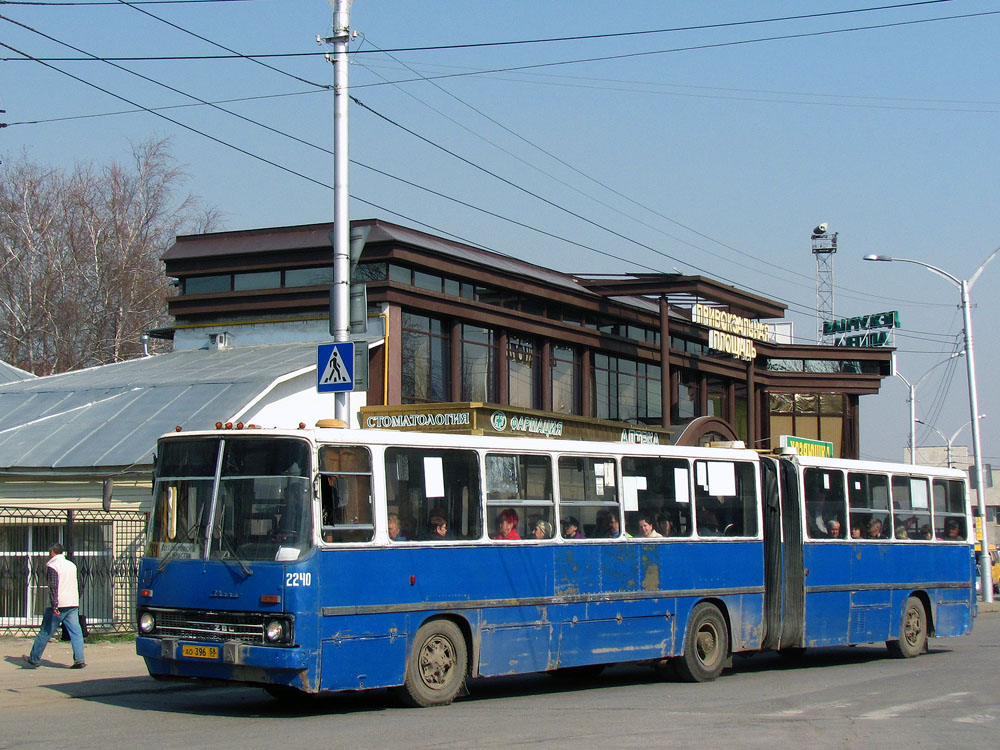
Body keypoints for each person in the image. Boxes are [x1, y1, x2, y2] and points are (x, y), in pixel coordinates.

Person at [22, 543, 85, 669]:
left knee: (45, 631)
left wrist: (54, 605)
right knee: (76, 632)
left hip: (58, 605)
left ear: (52, 552)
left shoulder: (53, 565)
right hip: (72, 603)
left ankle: (34, 658)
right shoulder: (72, 565)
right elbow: (79, 583)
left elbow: (53, 586)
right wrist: (75, 598)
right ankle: (79, 660)